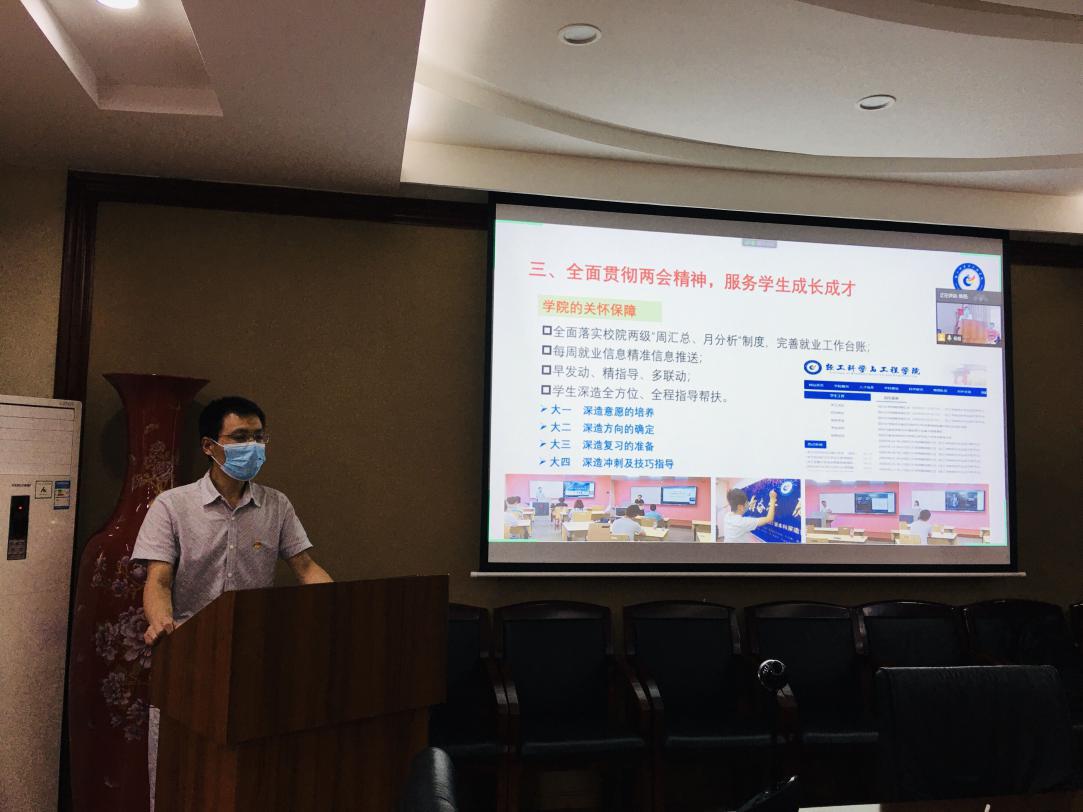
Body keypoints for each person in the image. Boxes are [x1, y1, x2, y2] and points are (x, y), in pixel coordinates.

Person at [132, 396, 332, 810]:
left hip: (254, 660)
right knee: (181, 779)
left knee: (250, 780)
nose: (252, 447)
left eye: (258, 437)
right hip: (191, 656)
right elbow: (158, 580)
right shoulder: (172, 506)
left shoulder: (276, 505)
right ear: (209, 446)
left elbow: (306, 567)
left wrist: (337, 608)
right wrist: (163, 623)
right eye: (240, 437)